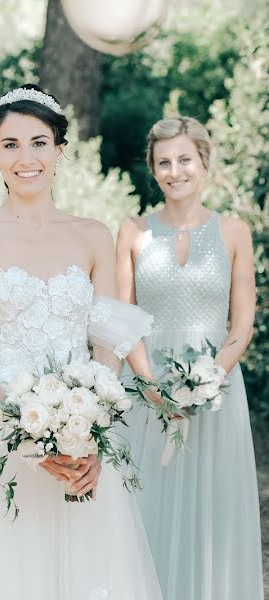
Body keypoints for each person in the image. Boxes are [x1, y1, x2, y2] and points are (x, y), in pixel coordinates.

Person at [0, 84, 162, 599]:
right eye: (11, 144)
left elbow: (106, 343)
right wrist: (30, 439)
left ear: (60, 150)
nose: (26, 158)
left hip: (82, 432)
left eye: (39, 142)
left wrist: (89, 430)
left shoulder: (91, 234)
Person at [117, 116, 263, 599]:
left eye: (184, 159)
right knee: (146, 502)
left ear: (204, 163)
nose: (174, 170)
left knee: (212, 509)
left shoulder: (235, 231)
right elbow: (125, 318)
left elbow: (241, 323)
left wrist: (208, 381)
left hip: (217, 390)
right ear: (152, 170)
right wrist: (152, 385)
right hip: (147, 387)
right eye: (164, 162)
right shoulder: (133, 232)